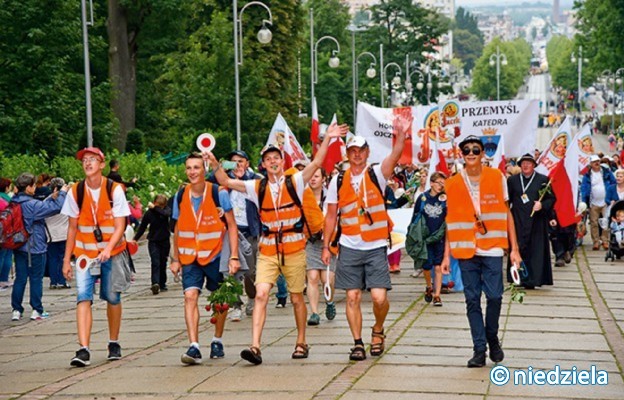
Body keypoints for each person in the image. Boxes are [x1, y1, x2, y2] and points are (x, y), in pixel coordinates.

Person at [207, 122, 349, 365]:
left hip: (294, 250)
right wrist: (213, 162)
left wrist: (329, 139)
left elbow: (316, 164)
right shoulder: (257, 187)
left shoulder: (295, 182)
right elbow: (227, 182)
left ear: (282, 161)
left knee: (296, 298)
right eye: (268, 159)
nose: (272, 161)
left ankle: (302, 341)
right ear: (263, 164)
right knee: (261, 294)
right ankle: (255, 346)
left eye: (276, 158)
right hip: (269, 251)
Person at [321, 112, 411, 362]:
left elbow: (395, 155)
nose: (357, 154)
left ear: (367, 152)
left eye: (361, 150)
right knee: (352, 296)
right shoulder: (338, 180)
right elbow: (330, 216)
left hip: (375, 245)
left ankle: (378, 329)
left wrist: (401, 134)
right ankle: (358, 342)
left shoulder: (376, 174)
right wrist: (327, 245)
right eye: (352, 151)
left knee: (379, 298)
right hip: (349, 245)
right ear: (347, 154)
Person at [441, 135, 521, 368]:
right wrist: (446, 255)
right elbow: (450, 220)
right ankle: (479, 349)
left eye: (476, 149)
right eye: (467, 150)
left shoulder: (497, 177)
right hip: (465, 248)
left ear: (483, 153)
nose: (472, 153)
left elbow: (507, 213)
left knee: (495, 296)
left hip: (493, 246)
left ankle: (492, 336)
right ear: (462, 155)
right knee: (472, 300)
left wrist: (514, 249)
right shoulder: (453, 182)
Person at [62, 147, 131, 367]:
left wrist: (108, 248)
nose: (88, 163)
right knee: (83, 297)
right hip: (84, 253)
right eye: (84, 160)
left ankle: (114, 342)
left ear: (102, 165)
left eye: (93, 159)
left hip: (112, 252)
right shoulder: (76, 191)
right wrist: (66, 260)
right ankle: (83, 349)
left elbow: (120, 225)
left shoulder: (114, 189)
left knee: (112, 297)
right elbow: (72, 228)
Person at [169, 153, 240, 365]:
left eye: (197, 167)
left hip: (215, 254)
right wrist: (175, 258)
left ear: (204, 169)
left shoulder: (218, 193)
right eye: (189, 168)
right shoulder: (181, 196)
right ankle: (194, 346)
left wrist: (234, 256)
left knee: (220, 301)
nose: (192, 172)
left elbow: (232, 226)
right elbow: (177, 228)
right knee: (190, 296)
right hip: (190, 256)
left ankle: (217, 339)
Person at [208, 150, 263, 319]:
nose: (237, 164)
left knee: (250, 272)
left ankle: (252, 297)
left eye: (240, 161)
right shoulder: (222, 180)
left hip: (249, 231)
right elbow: (207, 182)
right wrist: (218, 166)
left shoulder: (255, 180)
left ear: (247, 163)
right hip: (229, 231)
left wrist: (242, 178)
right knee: (229, 271)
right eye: (233, 161)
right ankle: (236, 304)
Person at [10, 173, 67, 321]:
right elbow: (56, 208)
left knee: (20, 278)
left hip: (19, 244)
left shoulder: (14, 202)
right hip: (35, 246)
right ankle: (37, 309)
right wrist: (62, 193)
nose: (35, 188)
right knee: (36, 278)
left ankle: (16, 309)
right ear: (28, 187)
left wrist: (51, 198)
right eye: (33, 185)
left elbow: (47, 205)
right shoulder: (32, 205)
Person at [506, 153, 555, 288]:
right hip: (518, 221)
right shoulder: (512, 181)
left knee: (535, 251)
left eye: (529, 163)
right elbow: (507, 201)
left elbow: (551, 199)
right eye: (523, 163)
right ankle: (517, 277)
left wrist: (542, 205)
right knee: (518, 249)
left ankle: (533, 279)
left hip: (536, 222)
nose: (526, 165)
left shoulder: (543, 180)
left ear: (534, 165)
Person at [304, 168, 337, 326]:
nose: (313, 179)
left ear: (324, 178)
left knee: (327, 279)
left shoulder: (330, 197)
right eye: (311, 176)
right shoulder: (303, 197)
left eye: (316, 176)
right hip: (311, 242)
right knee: (312, 277)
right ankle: (314, 313)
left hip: (329, 242)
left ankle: (329, 301)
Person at [410, 172, 447, 306]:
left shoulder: (445, 198)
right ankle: (428, 286)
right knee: (426, 266)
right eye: (439, 183)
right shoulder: (423, 198)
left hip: (439, 237)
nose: (441, 186)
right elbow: (415, 217)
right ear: (431, 183)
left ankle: (437, 295)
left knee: (438, 266)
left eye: (443, 184)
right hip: (425, 238)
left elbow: (448, 217)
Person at [132, 194, 171, 295]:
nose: (159, 207)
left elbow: (166, 214)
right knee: (155, 261)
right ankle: (155, 283)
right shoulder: (149, 213)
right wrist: (135, 239)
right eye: (157, 205)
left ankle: (162, 283)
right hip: (153, 240)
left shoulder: (166, 211)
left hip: (164, 240)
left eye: (161, 206)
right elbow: (143, 227)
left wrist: (156, 208)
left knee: (163, 262)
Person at [580, 155, 616, 250]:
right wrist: (584, 202)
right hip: (593, 202)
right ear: (591, 164)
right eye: (594, 162)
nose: (597, 163)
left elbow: (613, 183)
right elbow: (584, 189)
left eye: (598, 161)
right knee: (594, 223)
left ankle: (605, 241)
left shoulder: (606, 172)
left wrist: (612, 196)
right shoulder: (587, 175)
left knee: (605, 222)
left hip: (605, 201)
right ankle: (596, 242)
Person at [45, 177, 71, 289]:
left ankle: (53, 281)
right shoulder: (67, 201)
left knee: (52, 258)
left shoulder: (47, 201)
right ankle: (61, 280)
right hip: (64, 234)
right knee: (62, 258)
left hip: (51, 234)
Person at [0, 177, 14, 291]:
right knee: (6, 255)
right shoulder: (7, 199)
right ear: (6, 187)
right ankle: (3, 279)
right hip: (7, 231)